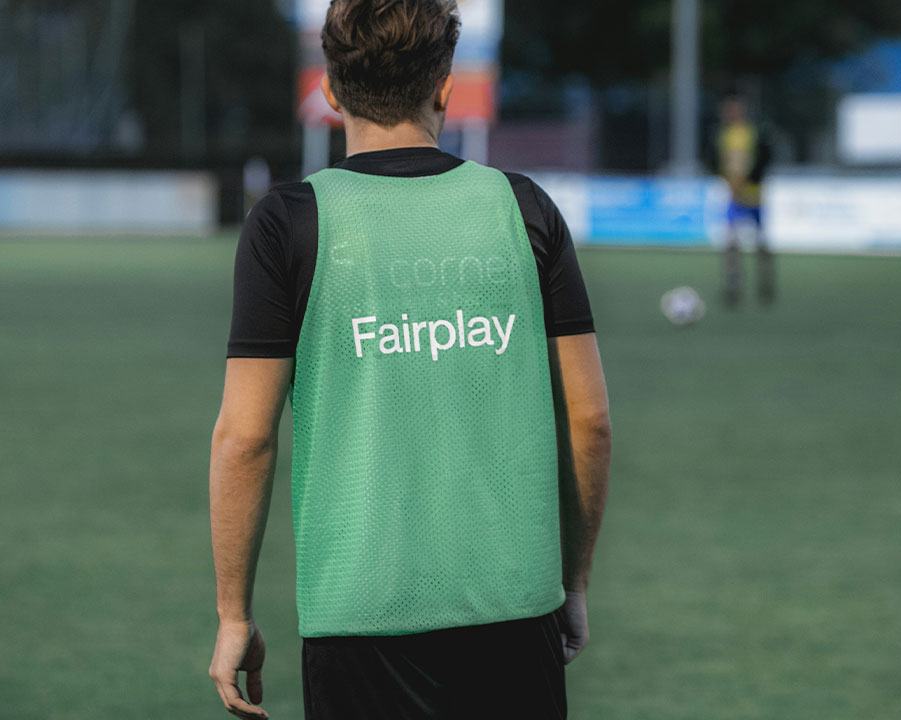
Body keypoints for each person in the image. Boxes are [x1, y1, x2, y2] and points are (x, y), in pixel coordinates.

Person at [207, 1, 612, 718]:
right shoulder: (522, 208)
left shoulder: (288, 222)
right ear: (446, 86)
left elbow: (244, 437)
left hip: (360, 613)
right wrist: (573, 583)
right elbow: (591, 421)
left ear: (330, 90)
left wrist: (234, 615)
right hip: (515, 606)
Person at [711, 91, 774, 306]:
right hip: (734, 197)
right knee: (731, 242)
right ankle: (733, 285)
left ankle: (765, 283)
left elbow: (764, 159)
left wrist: (747, 180)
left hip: (754, 196)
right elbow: (719, 163)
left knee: (761, 243)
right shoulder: (723, 135)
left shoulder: (753, 133)